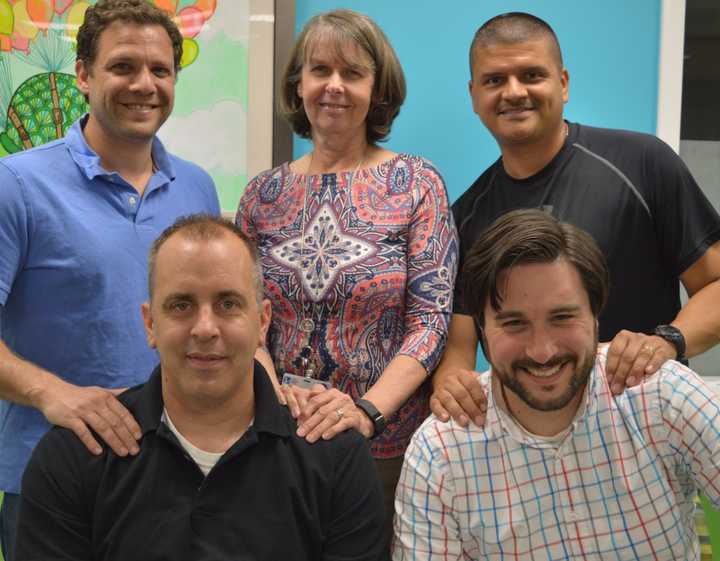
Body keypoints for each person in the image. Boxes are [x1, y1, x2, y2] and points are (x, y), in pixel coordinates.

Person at [15, 215, 386, 561]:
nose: (205, 328)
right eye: (181, 305)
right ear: (149, 324)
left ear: (262, 321)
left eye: (228, 303)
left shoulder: (334, 456)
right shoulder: (74, 458)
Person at [0, 1, 219, 557]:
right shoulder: (16, 186)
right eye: (123, 66)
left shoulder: (197, 188)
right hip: (52, 483)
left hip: (176, 480)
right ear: (83, 74)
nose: (144, 84)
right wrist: (54, 394)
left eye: (160, 70)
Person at [430, 12, 720, 428]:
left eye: (531, 75)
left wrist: (666, 342)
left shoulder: (642, 164)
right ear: (474, 95)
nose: (514, 92)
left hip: (650, 428)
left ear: (562, 83)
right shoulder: (463, 217)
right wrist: (452, 386)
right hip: (534, 445)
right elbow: (457, 351)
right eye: (494, 80)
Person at [235, 8, 457, 539]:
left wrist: (364, 413)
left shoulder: (416, 183)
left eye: (352, 73)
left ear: (377, 90)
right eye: (320, 71)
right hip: (277, 445)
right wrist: (278, 401)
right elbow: (242, 316)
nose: (334, 86)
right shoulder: (262, 197)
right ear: (299, 84)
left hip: (384, 454)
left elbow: (431, 320)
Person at [394, 208, 720, 560]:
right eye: (514, 324)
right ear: (481, 329)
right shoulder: (439, 452)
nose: (542, 351)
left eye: (562, 317)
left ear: (596, 315)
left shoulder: (659, 392)